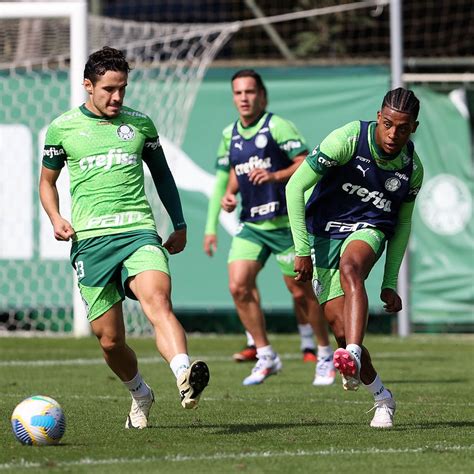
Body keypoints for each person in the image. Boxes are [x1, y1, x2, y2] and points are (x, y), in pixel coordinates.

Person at [39, 47, 209, 429]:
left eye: (123, 89)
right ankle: (139, 393)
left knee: (158, 301)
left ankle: (184, 376)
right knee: (110, 341)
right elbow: (46, 182)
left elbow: (163, 176)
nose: (117, 97)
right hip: (91, 241)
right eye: (109, 89)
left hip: (138, 232)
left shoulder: (141, 125)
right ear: (88, 86)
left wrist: (179, 224)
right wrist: (55, 217)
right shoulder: (62, 128)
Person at [286, 87, 424, 428]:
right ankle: (382, 397)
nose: (394, 134)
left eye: (403, 128)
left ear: (414, 128)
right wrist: (302, 249)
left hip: (369, 228)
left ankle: (354, 354)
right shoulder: (346, 139)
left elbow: (403, 224)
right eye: (388, 124)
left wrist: (390, 282)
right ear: (379, 117)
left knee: (352, 269)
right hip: (323, 234)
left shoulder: (411, 169)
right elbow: (294, 187)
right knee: (341, 330)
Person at [203, 69, 335, 386]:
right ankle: (265, 354)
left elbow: (305, 161)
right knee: (238, 285)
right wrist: (230, 194)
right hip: (252, 224)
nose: (244, 98)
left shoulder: (277, 126)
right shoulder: (229, 134)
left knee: (301, 292)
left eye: (250, 92)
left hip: (286, 224)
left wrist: (275, 176)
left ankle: (324, 353)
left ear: (262, 95)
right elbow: (236, 170)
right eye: (238, 93)